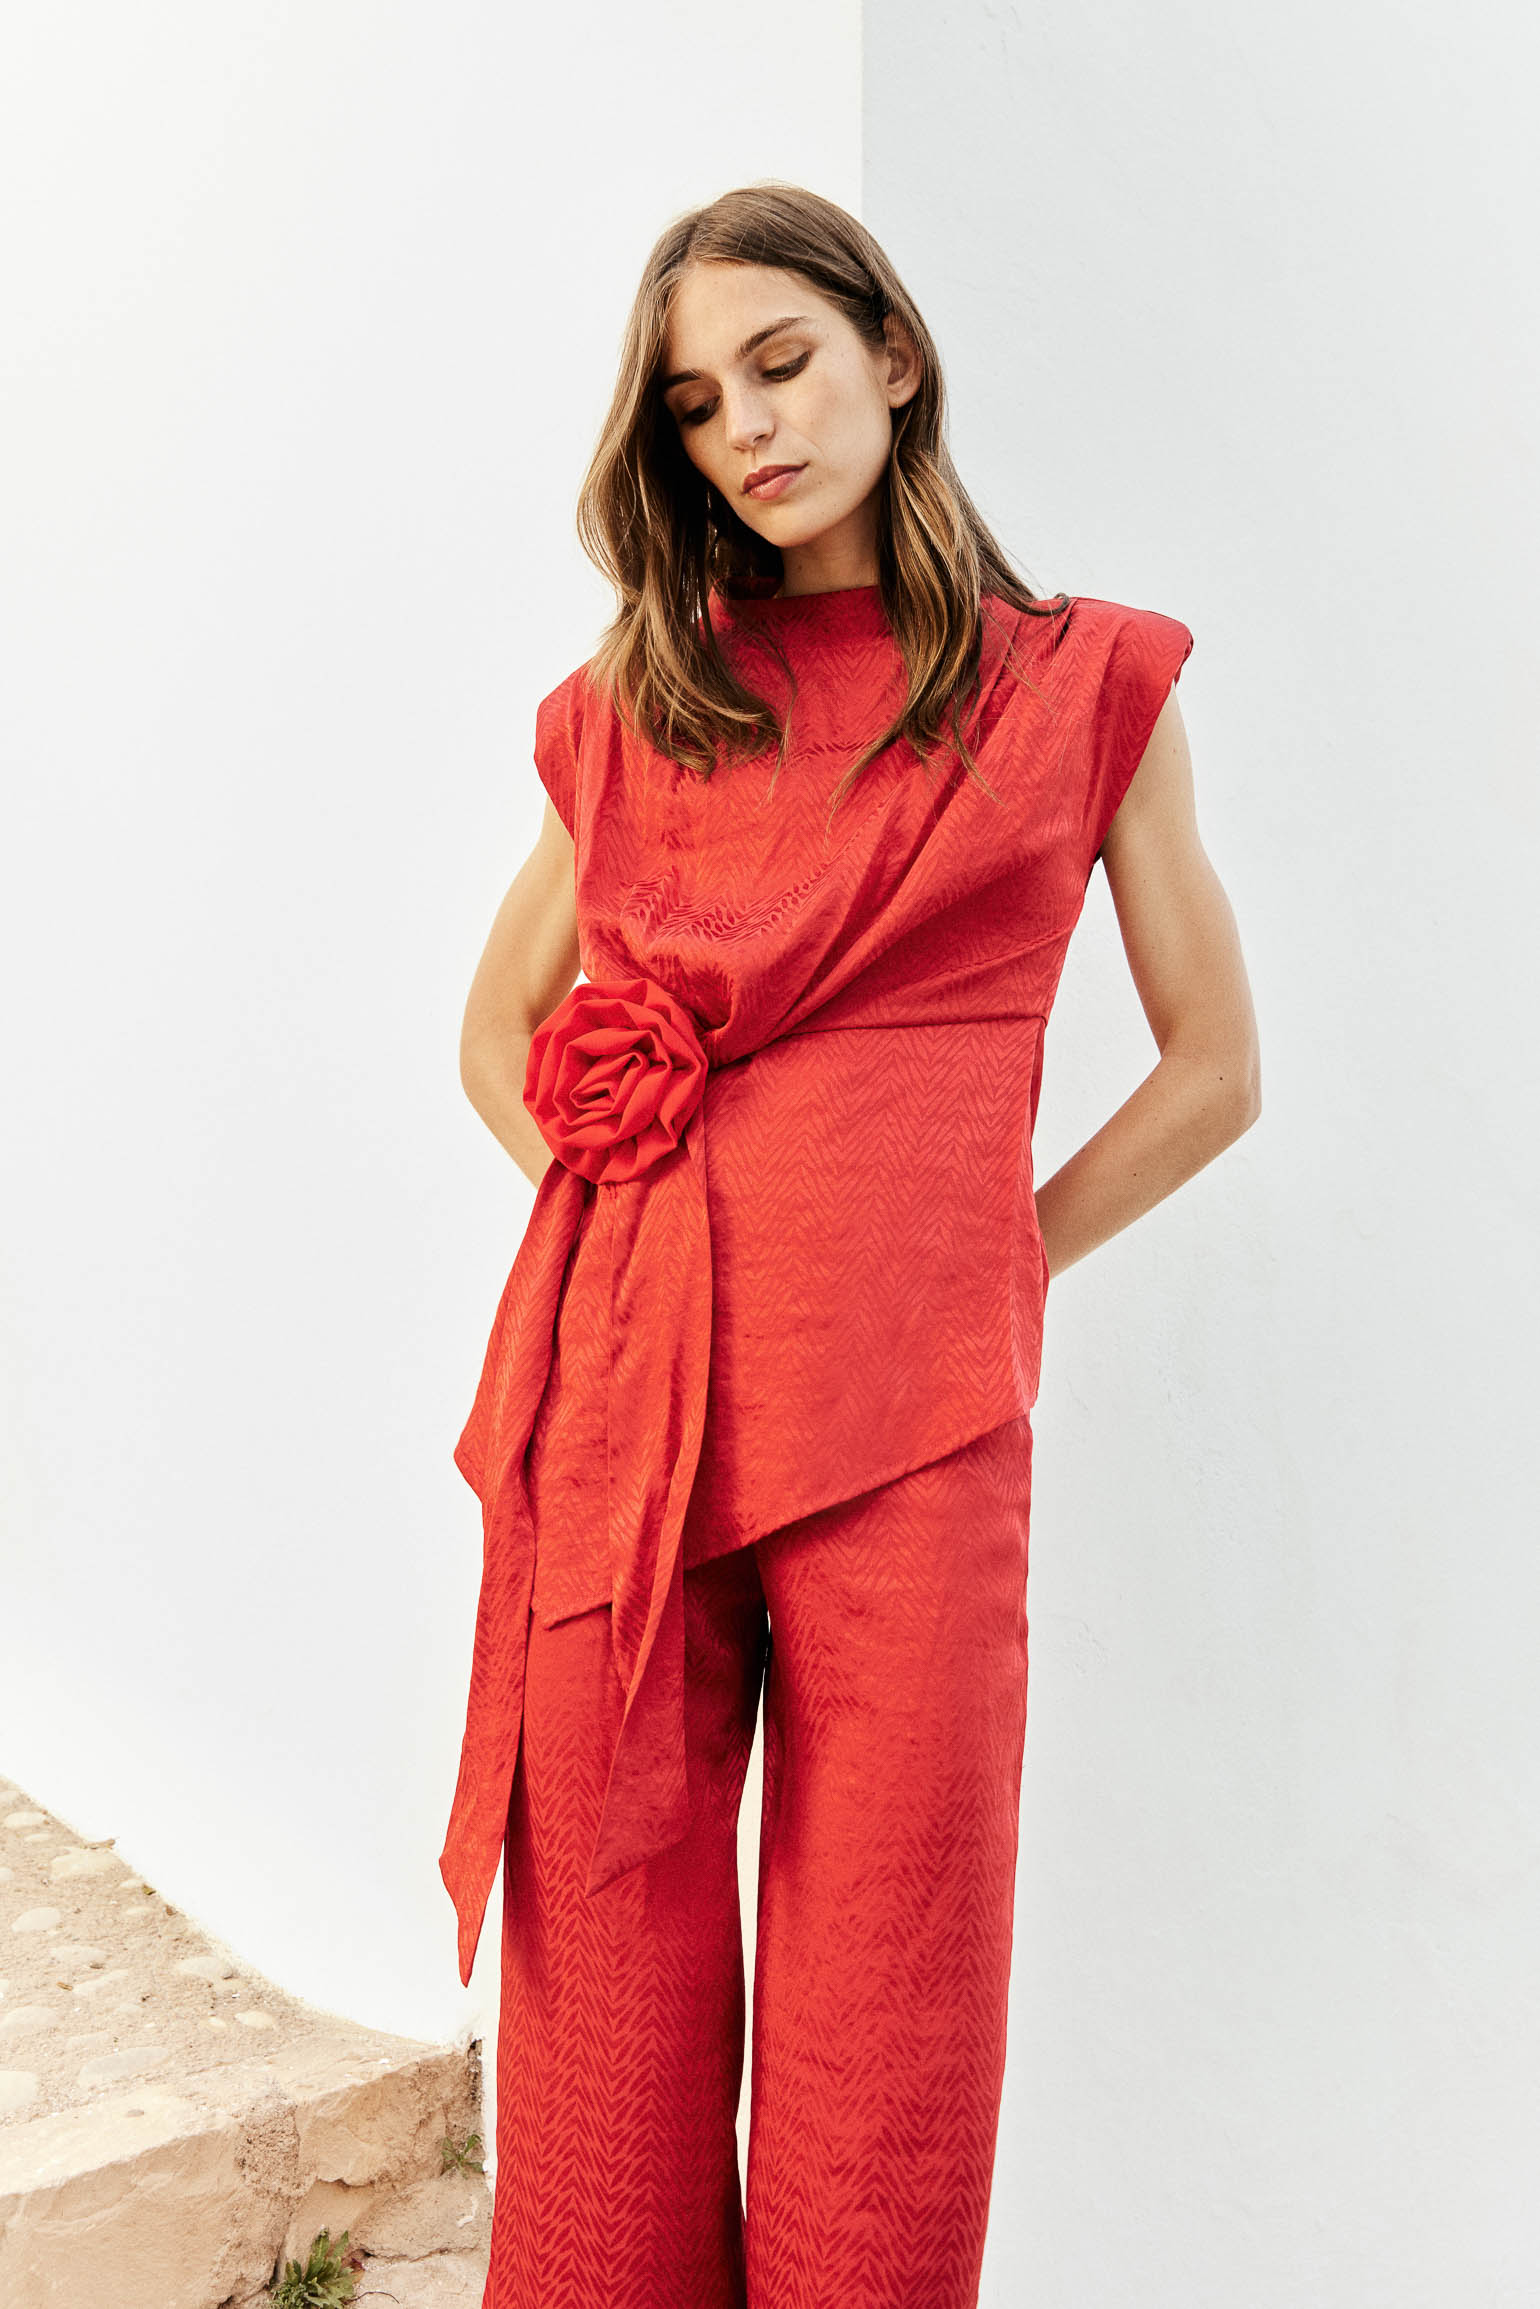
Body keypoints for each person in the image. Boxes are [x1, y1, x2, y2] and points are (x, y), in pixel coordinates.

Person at [441, 181, 1260, 2309]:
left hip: (917, 1430)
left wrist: (996, 1258)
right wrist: (618, 1219)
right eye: (696, 402)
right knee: (600, 2012)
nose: (746, 426)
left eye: (782, 362)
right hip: (630, 1418)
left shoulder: (1085, 686)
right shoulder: (641, 699)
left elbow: (1214, 1069)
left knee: (887, 2017)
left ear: (893, 353)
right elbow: (495, 1035)